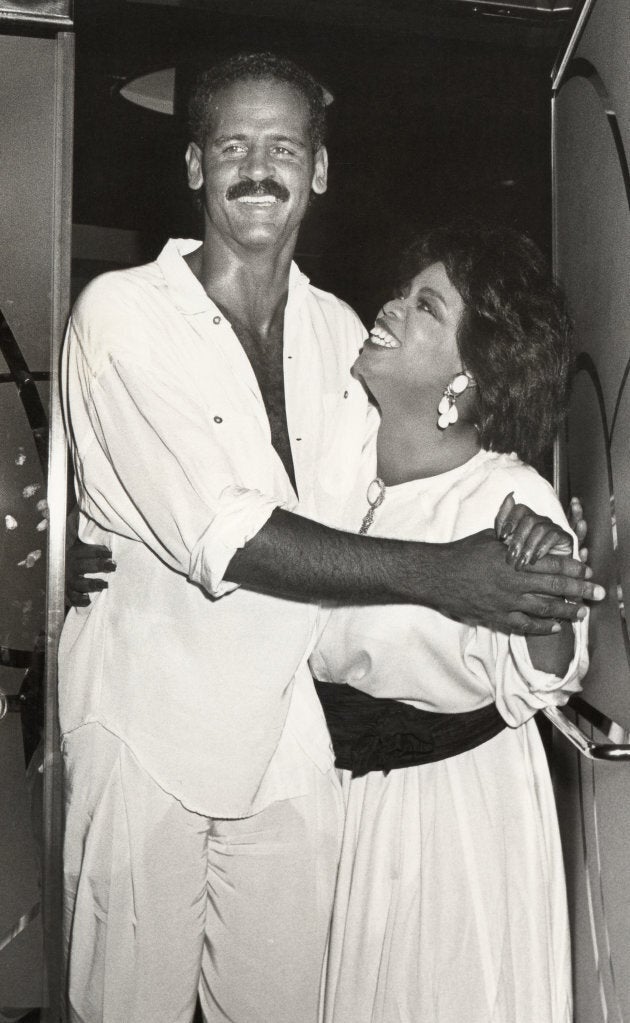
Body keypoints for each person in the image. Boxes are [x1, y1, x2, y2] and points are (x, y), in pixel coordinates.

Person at [60, 53, 600, 1023]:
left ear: (318, 171)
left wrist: (508, 557)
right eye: (232, 146)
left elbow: (378, 501)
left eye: (284, 147)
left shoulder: (337, 332)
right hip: (146, 742)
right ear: (193, 168)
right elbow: (226, 536)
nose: (258, 169)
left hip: (293, 760)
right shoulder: (123, 318)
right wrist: (448, 576)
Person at [310, 220, 588, 1023]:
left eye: (425, 305)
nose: (392, 306)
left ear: (467, 377)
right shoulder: (336, 458)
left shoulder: (506, 496)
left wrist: (544, 591)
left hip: (450, 828)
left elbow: (548, 672)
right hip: (338, 808)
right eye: (404, 291)